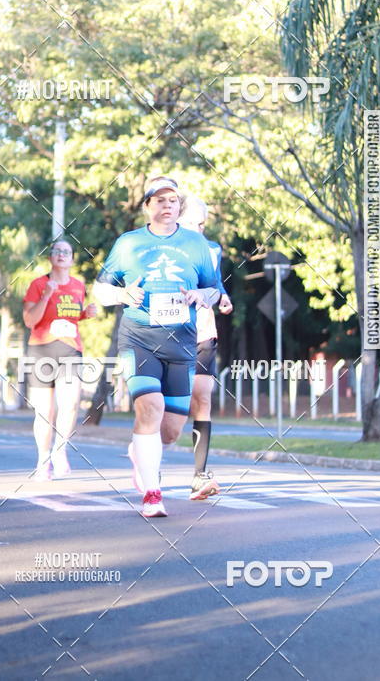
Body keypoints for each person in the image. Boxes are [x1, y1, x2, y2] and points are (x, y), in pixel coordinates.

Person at [93, 176, 220, 518]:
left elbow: (216, 291)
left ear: (180, 206)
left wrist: (201, 295)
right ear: (147, 206)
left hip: (181, 342)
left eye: (173, 200)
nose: (167, 205)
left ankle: (141, 452)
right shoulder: (128, 243)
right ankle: (152, 493)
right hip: (139, 337)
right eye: (159, 200)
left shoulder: (196, 245)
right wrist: (121, 294)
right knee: (149, 407)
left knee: (171, 430)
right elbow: (100, 289)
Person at [23, 240, 97, 481]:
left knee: (72, 404)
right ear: (50, 258)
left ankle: (60, 449)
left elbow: (71, 316)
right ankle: (42, 459)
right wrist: (46, 295)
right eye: (58, 251)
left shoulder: (78, 285)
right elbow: (30, 320)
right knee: (45, 411)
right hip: (42, 350)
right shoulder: (38, 285)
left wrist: (86, 314)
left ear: (72, 259)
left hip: (69, 349)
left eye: (67, 252)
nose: (63, 255)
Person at [179, 195, 233, 499]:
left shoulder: (212, 249)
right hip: (169, 334)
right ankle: (147, 461)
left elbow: (215, 285)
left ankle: (199, 476)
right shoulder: (163, 249)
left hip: (203, 332)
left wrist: (222, 297)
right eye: (192, 223)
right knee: (169, 406)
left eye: (202, 224)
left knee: (202, 399)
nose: (199, 230)